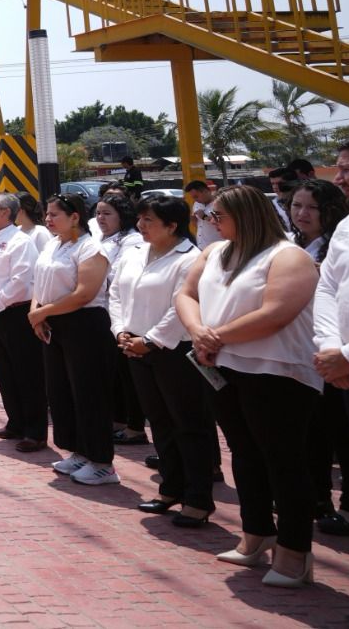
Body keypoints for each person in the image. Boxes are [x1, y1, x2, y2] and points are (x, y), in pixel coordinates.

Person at [176, 184, 320, 587]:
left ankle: (295, 552)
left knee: (283, 460)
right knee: (244, 454)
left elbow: (276, 313)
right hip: (223, 365)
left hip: (276, 372)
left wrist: (214, 336)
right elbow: (186, 294)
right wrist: (197, 331)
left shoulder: (288, 256)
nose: (209, 222)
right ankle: (256, 534)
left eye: (217, 216)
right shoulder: (214, 252)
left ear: (247, 215)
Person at [108, 195, 210, 524]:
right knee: (161, 422)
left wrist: (149, 341)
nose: (141, 226)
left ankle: (198, 499)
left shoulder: (189, 258)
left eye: (149, 221)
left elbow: (183, 305)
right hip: (134, 345)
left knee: (188, 424)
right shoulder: (135, 251)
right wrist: (121, 330)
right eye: (140, 219)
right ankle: (170, 488)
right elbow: (116, 292)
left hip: (172, 351)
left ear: (172, 225)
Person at [29, 193, 118, 486]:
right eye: (47, 214)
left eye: (55, 214)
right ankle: (80, 451)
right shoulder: (54, 245)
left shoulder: (91, 248)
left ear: (75, 217)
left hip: (84, 324)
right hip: (53, 322)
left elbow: (84, 294)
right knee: (62, 391)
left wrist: (42, 313)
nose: (48, 219)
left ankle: (102, 462)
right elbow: (38, 283)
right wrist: (37, 312)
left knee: (89, 393)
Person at [290, 179, 349, 537]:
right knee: (313, 434)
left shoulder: (332, 245)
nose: (301, 214)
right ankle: (318, 499)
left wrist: (344, 354)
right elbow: (325, 294)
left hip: (342, 360)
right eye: (296, 205)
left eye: (311, 208)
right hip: (315, 357)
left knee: (345, 439)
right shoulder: (291, 246)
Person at [0, 194, 46, 453]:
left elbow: (22, 279)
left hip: (16, 313)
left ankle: (35, 433)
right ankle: (15, 422)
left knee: (27, 373)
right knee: (4, 371)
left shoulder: (20, 241)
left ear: (6, 212)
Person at [97, 195, 147, 447]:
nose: (101, 219)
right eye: (98, 214)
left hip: (126, 319)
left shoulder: (132, 241)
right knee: (115, 375)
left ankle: (136, 426)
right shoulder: (103, 239)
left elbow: (115, 278)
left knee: (130, 378)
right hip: (108, 317)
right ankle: (119, 420)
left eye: (107, 214)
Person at [185, 180, 223, 249]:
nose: (195, 199)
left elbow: (222, 222)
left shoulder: (219, 204)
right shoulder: (197, 204)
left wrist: (204, 217)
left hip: (217, 246)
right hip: (201, 246)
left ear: (206, 191)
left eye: (196, 196)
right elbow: (199, 225)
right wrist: (192, 219)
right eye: (193, 197)